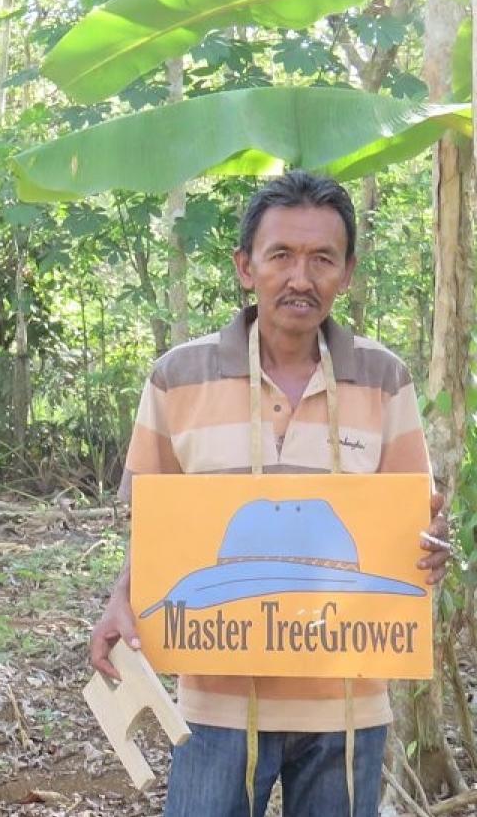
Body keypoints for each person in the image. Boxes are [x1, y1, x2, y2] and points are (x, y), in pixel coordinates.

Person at [88, 171, 451, 817]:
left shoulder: (384, 380)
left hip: (348, 701)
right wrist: (122, 597)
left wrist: (429, 553)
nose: (300, 278)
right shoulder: (179, 377)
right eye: (281, 255)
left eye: (322, 259)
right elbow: (158, 528)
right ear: (245, 267)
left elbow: (412, 532)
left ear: (348, 273)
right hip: (216, 699)